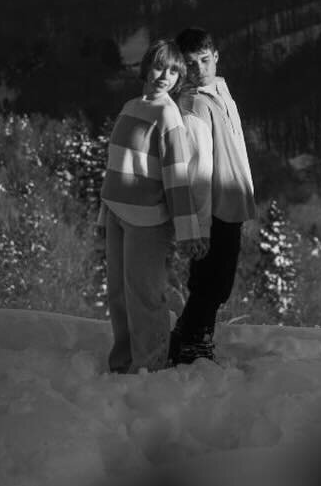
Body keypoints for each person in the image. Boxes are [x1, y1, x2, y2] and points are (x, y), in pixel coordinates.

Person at [98, 39, 205, 374]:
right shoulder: (131, 106)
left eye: (174, 70)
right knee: (118, 295)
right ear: (146, 67)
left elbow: (178, 179)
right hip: (117, 214)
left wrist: (189, 232)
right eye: (160, 66)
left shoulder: (167, 115)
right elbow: (116, 166)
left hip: (147, 223)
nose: (166, 76)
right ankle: (123, 362)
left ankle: (151, 367)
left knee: (145, 298)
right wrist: (104, 215)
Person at [169, 26, 256, 365]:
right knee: (209, 281)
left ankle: (189, 335)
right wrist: (199, 226)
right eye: (190, 64)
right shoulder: (192, 104)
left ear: (216, 56)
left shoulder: (219, 90)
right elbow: (197, 171)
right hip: (214, 208)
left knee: (220, 281)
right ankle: (192, 343)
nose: (199, 70)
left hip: (231, 204)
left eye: (204, 60)